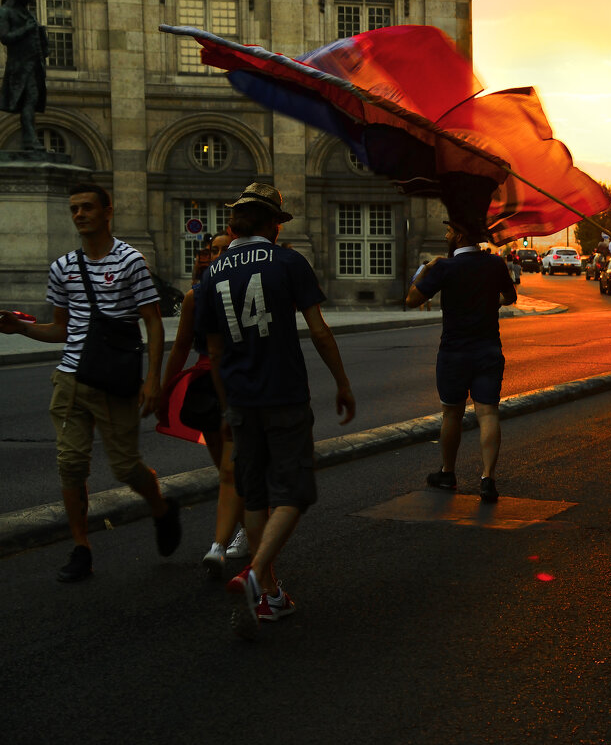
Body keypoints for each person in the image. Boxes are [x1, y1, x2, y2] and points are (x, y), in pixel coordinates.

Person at [194, 182, 356, 639]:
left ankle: (268, 595)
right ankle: (253, 573)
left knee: (256, 493)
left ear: (233, 225)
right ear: (272, 225)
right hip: (283, 393)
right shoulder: (287, 262)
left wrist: (227, 408)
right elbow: (319, 330)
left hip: (241, 400)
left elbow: (214, 350)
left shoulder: (212, 274)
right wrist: (342, 383)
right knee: (296, 490)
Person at [0, 182, 180, 581]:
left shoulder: (131, 261)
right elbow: (60, 330)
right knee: (70, 464)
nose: (79, 214)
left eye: (87, 208)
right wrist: (19, 329)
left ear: (107, 211)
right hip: (70, 378)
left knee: (126, 468)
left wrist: (153, 379)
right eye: (74, 209)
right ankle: (81, 547)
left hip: (113, 379)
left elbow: (152, 321)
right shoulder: (62, 267)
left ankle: (161, 508)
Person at [158, 228, 249, 579]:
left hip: (241, 382)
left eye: (225, 249)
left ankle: (225, 541)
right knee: (224, 469)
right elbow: (180, 346)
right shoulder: (195, 296)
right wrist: (163, 389)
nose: (218, 255)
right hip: (208, 387)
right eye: (213, 250)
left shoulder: (248, 291)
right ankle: (244, 525)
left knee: (231, 468)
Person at [407, 221, 517, 503]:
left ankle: (448, 473)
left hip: (454, 352)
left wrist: (426, 268)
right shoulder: (495, 264)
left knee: (452, 413)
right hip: (488, 349)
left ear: (458, 234)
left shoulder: (444, 267)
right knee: (488, 413)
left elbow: (411, 299)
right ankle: (488, 479)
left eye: (447, 231)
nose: (445, 235)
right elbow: (510, 297)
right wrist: (491, 304)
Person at [0, 0, 47, 151]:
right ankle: (29, 139)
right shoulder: (4, 12)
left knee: (32, 101)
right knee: (30, 100)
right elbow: (5, 37)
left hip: (33, 64)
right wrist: (26, 29)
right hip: (19, 66)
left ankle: (30, 138)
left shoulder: (27, 13)